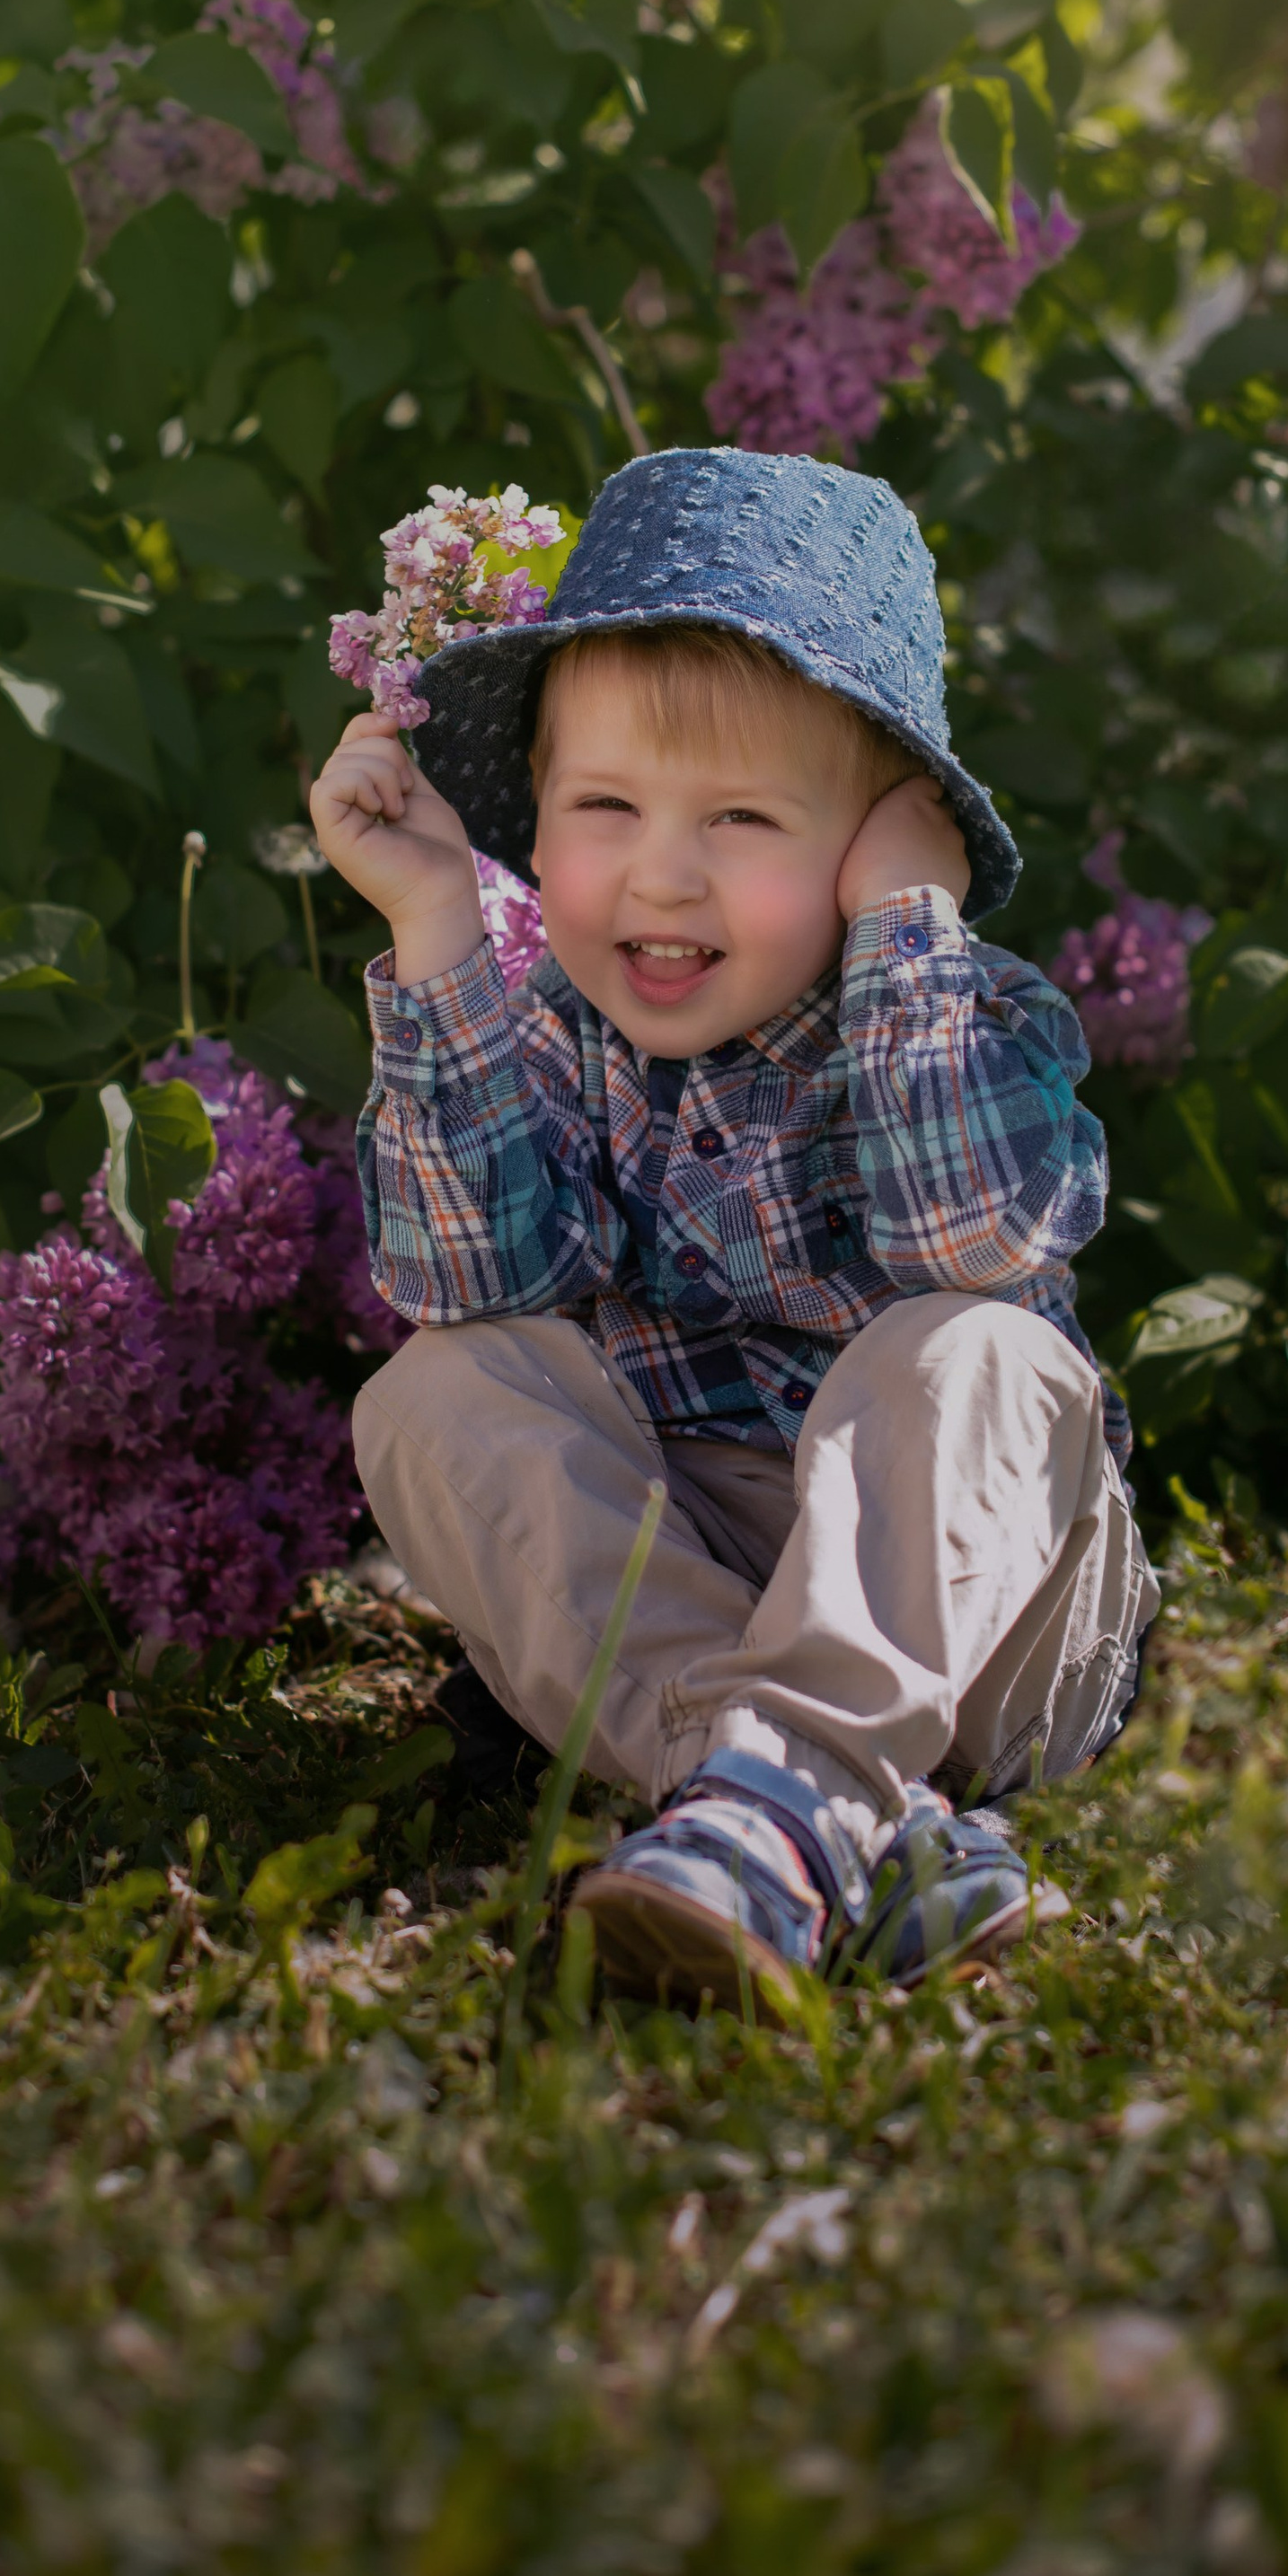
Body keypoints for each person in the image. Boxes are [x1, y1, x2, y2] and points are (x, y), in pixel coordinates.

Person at [308, 446, 1156, 2009]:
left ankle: (775, 1781)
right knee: (435, 1390)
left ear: (875, 842)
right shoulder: (547, 1036)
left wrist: (912, 930)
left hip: (975, 1613)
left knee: (971, 1349)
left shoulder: (967, 1015)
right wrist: (434, 928)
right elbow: (473, 1277)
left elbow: (974, 1246)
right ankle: (795, 1807)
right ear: (540, 822)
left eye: (745, 820)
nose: (662, 874)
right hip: (683, 1577)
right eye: (606, 805)